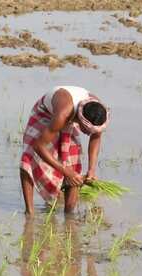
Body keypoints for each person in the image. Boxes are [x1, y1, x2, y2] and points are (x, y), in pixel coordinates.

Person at [20, 86, 109, 215]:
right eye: (87, 130)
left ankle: (69, 216)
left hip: (67, 116)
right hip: (46, 114)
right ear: (80, 118)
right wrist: (66, 172)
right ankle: (29, 211)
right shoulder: (63, 114)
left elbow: (96, 136)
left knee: (73, 165)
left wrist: (91, 169)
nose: (89, 134)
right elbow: (38, 146)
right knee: (28, 159)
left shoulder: (100, 113)